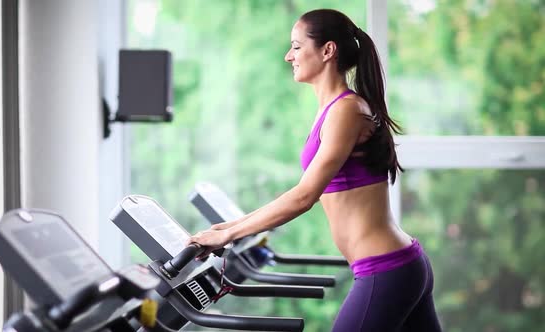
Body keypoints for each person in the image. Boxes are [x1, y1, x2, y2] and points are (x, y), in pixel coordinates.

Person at [188, 8, 441, 331]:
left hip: (385, 269)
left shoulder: (347, 110)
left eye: (296, 46)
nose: (287, 56)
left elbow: (304, 196)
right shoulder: (333, 110)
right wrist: (230, 227)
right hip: (395, 266)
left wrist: (230, 233)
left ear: (327, 50)